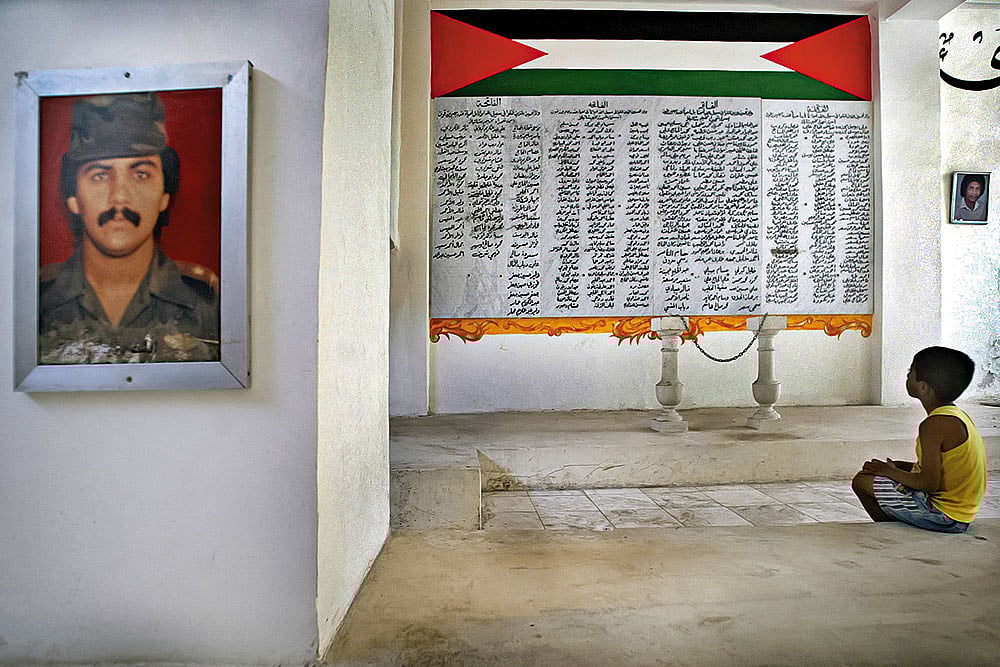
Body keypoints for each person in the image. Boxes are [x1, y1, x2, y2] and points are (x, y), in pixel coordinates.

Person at [39, 92, 219, 364]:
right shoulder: (37, 299)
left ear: (164, 196)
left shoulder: (204, 298)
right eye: (100, 175)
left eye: (141, 174)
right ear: (73, 198)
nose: (120, 197)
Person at [852, 346, 986, 533]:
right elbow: (941, 470)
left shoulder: (933, 425)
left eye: (910, 372)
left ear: (923, 387)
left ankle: (895, 530)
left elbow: (929, 483)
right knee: (890, 470)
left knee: (862, 481)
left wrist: (887, 471)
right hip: (961, 514)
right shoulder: (957, 415)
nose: (907, 376)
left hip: (945, 516)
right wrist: (899, 467)